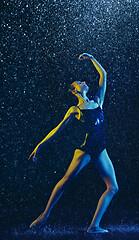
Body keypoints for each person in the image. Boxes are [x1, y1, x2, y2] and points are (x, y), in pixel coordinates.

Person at [28, 53, 119, 234]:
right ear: (74, 91)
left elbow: (104, 75)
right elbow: (57, 130)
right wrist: (40, 145)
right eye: (78, 82)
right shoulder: (75, 109)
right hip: (85, 150)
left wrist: (92, 58)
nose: (82, 81)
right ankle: (45, 214)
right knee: (66, 180)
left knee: (113, 187)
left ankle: (94, 226)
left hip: (101, 149)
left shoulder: (98, 101)